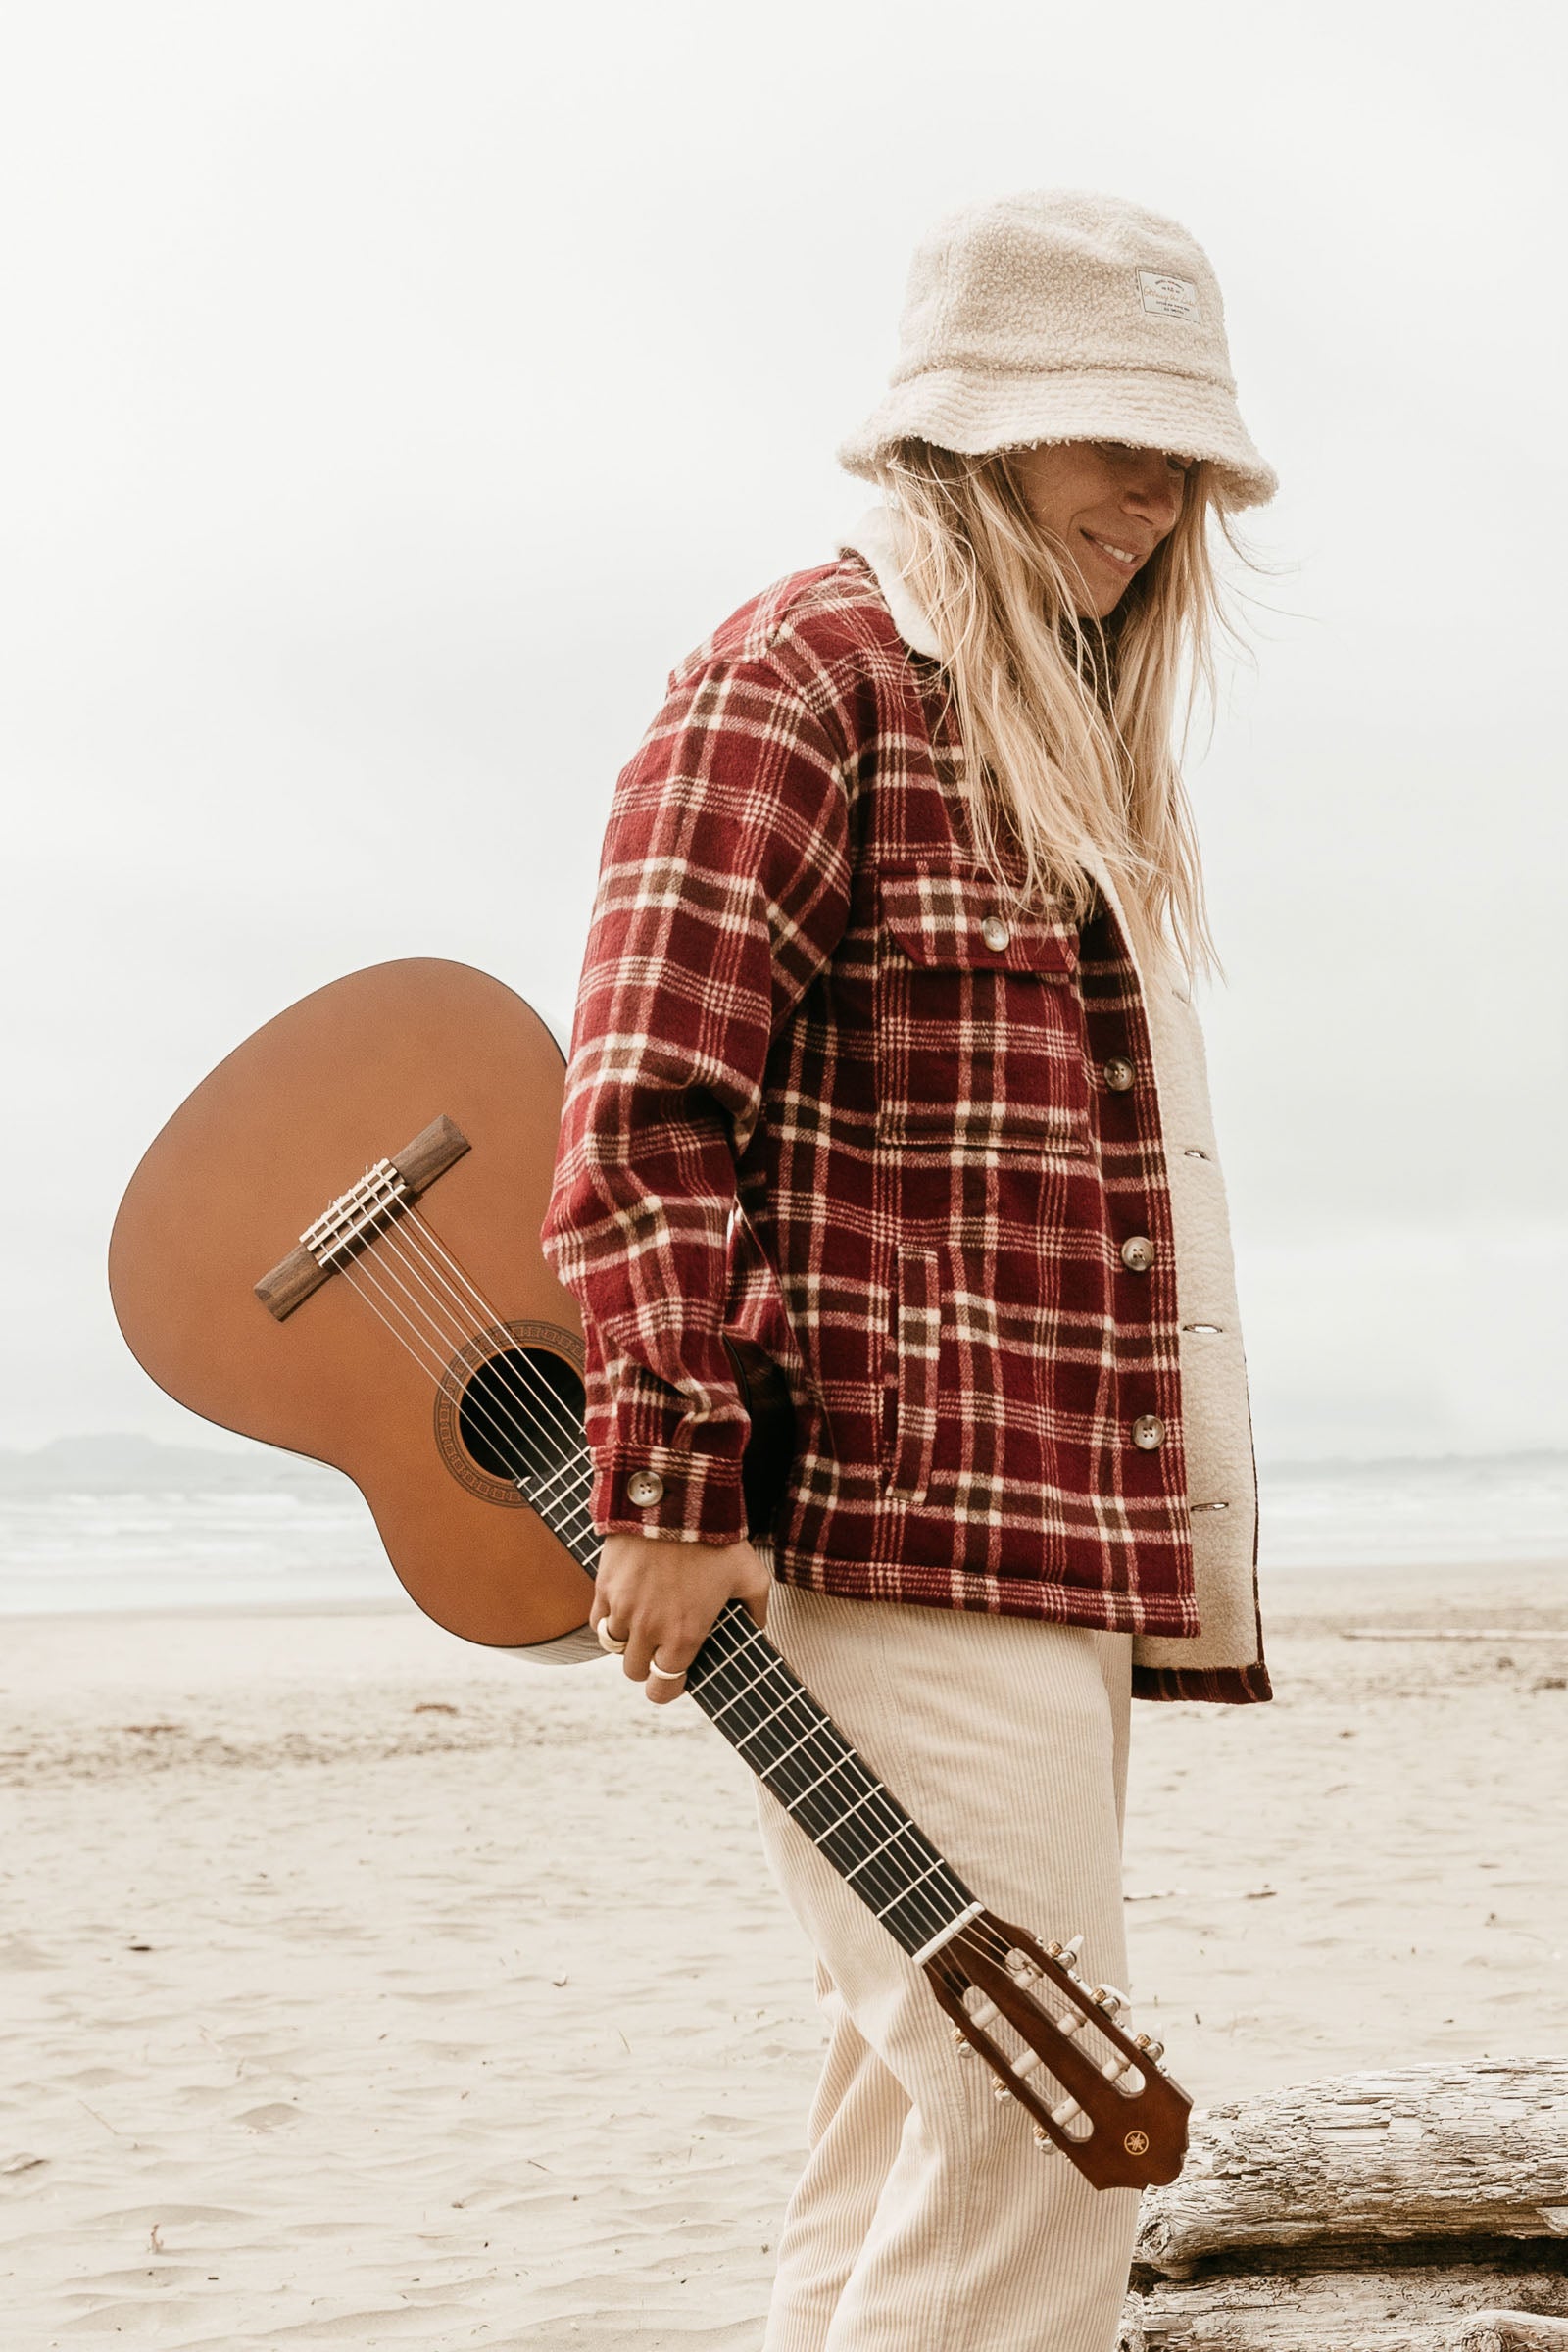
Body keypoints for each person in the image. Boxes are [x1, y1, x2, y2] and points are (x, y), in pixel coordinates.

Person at [541, 186, 1275, 2352]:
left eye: (1179, 457)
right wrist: (672, 1484)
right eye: (1104, 437)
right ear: (970, 429)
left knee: (909, 2126)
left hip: (1041, 1558)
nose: (1148, 498)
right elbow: (645, 1100)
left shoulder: (1051, 738)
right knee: (1052, 2124)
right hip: (880, 1549)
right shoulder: (802, 673)